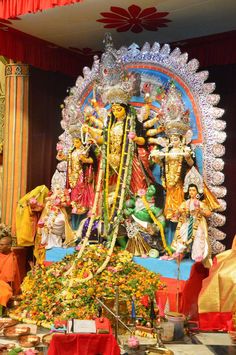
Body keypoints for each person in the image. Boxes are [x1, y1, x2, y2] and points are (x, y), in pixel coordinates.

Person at [171, 167, 212, 266]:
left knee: (199, 236)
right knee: (182, 233)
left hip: (198, 222)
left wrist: (200, 211)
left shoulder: (200, 203)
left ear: (197, 191)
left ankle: (198, 256)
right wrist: (179, 211)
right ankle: (179, 253)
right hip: (187, 221)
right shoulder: (186, 203)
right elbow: (177, 212)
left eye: (193, 190)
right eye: (190, 190)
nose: (191, 192)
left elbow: (208, 213)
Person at [0, 236, 21, 311]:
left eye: (2, 245)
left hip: (5, 285)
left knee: (4, 293)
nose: (0, 246)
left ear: (9, 246)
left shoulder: (12, 258)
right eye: (0, 244)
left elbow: (10, 279)